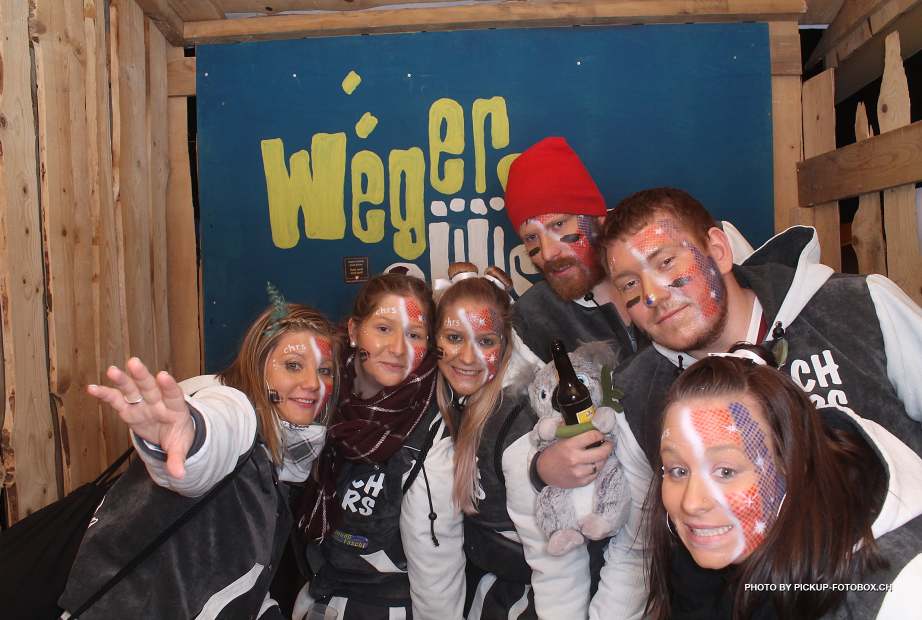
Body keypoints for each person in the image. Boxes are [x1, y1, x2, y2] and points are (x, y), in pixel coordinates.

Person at [563, 186, 922, 619]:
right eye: (630, 284)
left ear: (717, 250)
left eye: (666, 262)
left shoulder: (857, 308)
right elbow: (639, 545)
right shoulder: (638, 395)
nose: (654, 296)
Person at [59, 298, 340, 619]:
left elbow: (240, 572)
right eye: (293, 365)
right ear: (258, 365)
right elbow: (213, 439)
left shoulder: (279, 453)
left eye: (324, 370)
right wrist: (192, 438)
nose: (312, 383)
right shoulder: (234, 409)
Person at [505, 140, 755, 486]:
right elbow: (506, 427)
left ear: (597, 218)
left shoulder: (682, 240)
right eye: (531, 239)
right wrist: (540, 466)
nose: (548, 252)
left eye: (560, 225)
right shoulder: (534, 317)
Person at [647, 346, 922, 619]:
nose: (691, 503)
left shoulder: (898, 598)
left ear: (792, 466)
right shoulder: (688, 579)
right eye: (678, 471)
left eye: (726, 472)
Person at [404, 262, 594, 619]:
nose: (467, 357)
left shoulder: (518, 431)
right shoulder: (442, 404)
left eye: (485, 341)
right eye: (454, 338)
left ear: (506, 345)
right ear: (434, 340)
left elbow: (558, 563)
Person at [296, 272, 448, 619]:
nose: (398, 348)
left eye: (414, 335)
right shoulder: (315, 393)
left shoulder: (437, 415)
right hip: (319, 590)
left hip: (400, 603)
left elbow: (441, 556)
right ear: (353, 331)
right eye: (383, 328)